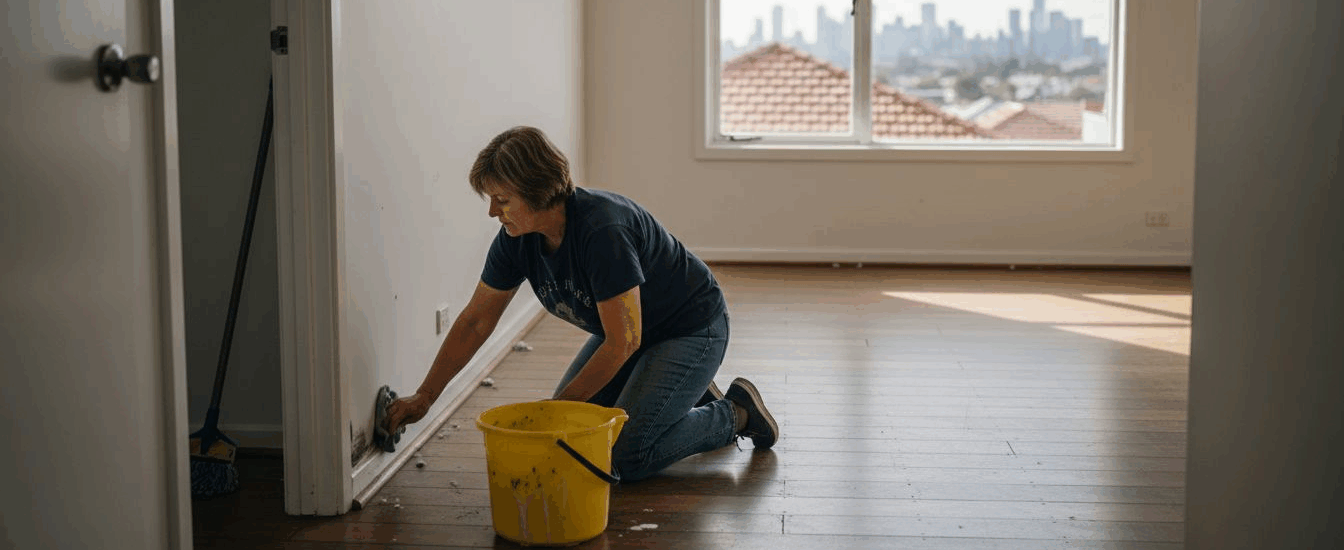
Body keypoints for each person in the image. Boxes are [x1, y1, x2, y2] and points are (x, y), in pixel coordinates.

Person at [384, 126, 778, 481]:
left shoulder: (603, 230)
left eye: (502, 199)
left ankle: (736, 413)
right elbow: (475, 322)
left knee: (625, 456)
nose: (492, 211)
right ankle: (679, 389)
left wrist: (553, 412)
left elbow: (623, 341)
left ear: (537, 190)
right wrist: (426, 396)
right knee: (575, 436)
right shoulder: (515, 241)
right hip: (630, 336)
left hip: (691, 328)